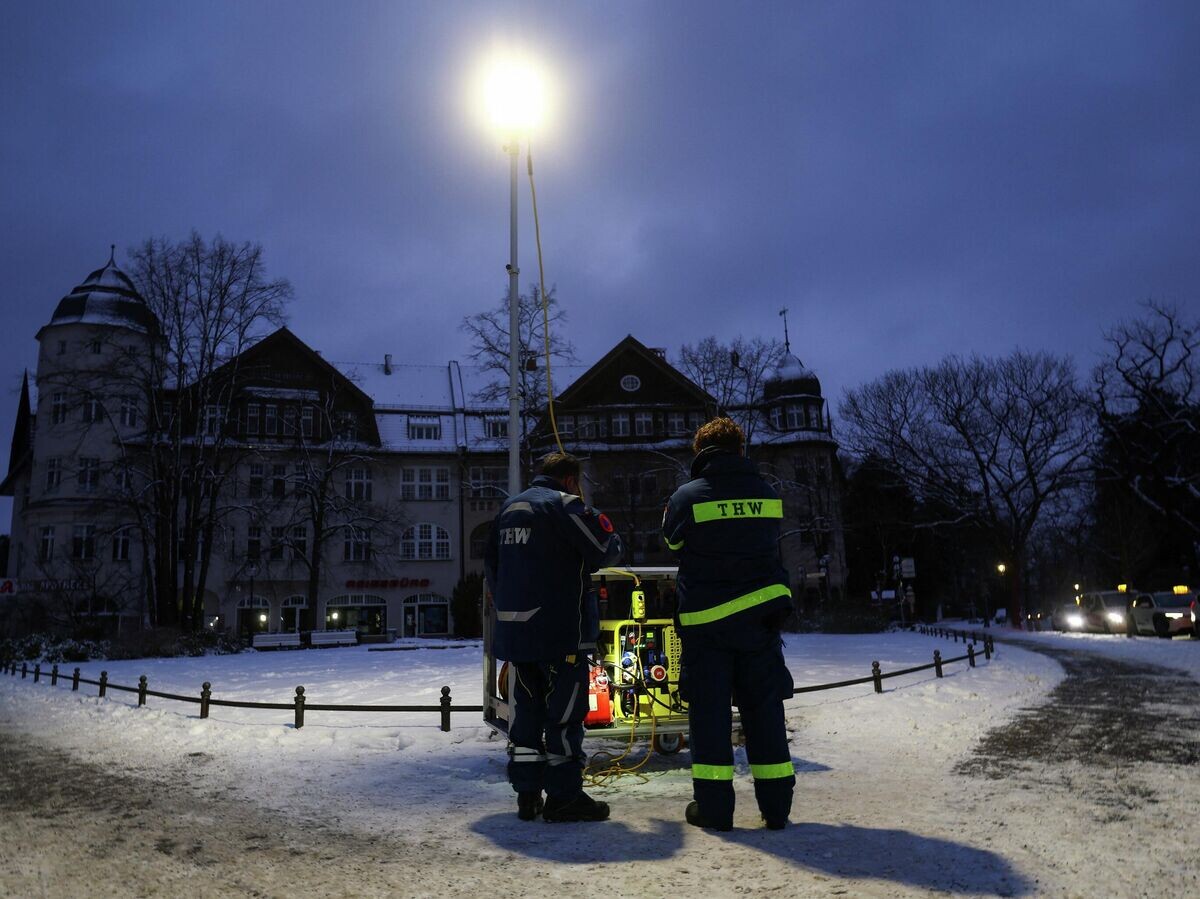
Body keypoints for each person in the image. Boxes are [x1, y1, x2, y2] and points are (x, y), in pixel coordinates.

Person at [662, 417, 795, 831]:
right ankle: (776, 809)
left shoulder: (687, 497)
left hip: (707, 628)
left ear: (700, 452)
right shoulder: (766, 492)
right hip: (761, 623)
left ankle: (715, 811)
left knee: (711, 718)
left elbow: (672, 542)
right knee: (765, 714)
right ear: (741, 450)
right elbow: (766, 541)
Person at [484, 452, 622, 823]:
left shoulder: (509, 508)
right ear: (571, 480)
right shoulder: (564, 506)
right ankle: (564, 797)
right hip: (560, 633)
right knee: (563, 717)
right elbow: (608, 548)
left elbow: (492, 568)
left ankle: (527, 796)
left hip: (515, 634)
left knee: (524, 718)